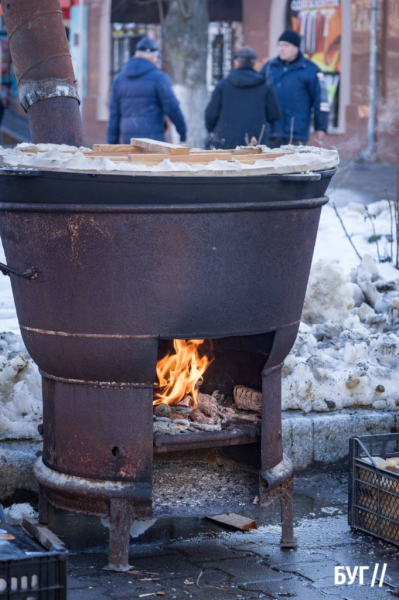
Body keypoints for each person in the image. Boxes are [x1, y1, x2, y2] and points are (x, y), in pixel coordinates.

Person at [107, 37, 187, 144]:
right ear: (154, 56)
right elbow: (172, 106)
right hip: (153, 138)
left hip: (129, 139)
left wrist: (112, 144)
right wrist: (182, 130)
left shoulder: (119, 79)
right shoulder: (159, 78)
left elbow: (114, 116)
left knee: (133, 161)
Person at [260, 29, 329, 148]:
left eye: (286, 45)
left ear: (296, 48)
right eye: (279, 45)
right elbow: (257, 94)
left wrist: (321, 127)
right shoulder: (269, 67)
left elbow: (321, 101)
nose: (281, 49)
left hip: (296, 133)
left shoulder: (310, 70)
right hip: (270, 131)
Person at [205, 46, 280, 149]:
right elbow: (274, 114)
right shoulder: (265, 86)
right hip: (256, 144)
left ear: (236, 62)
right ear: (254, 63)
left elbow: (210, 115)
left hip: (226, 142)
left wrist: (212, 131)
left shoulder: (223, 85)